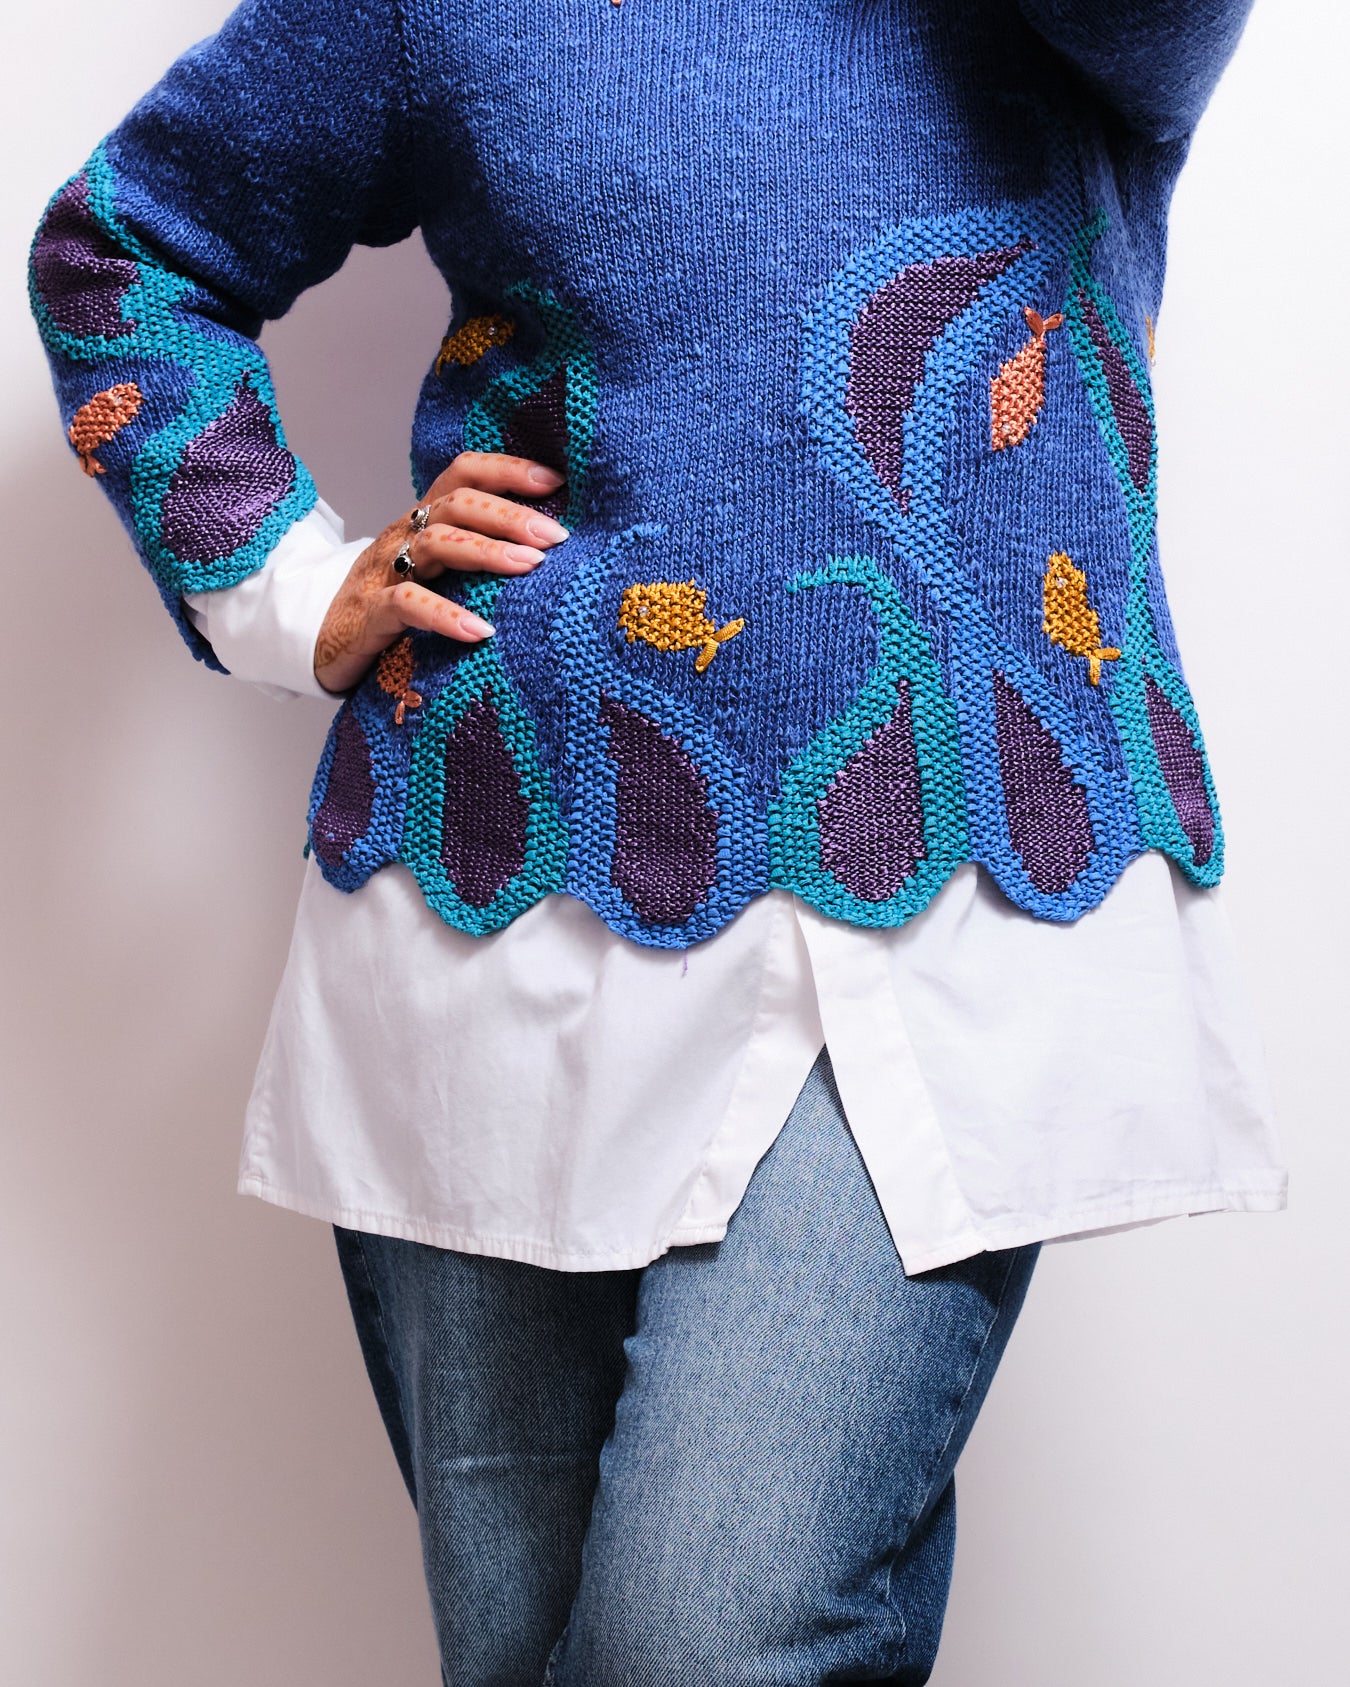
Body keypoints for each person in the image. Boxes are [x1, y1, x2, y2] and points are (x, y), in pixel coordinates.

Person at [30, 1, 1287, 1680]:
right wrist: (284, 581)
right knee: (520, 1650)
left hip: (956, 894)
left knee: (706, 1637)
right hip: (497, 897)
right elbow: (124, 252)